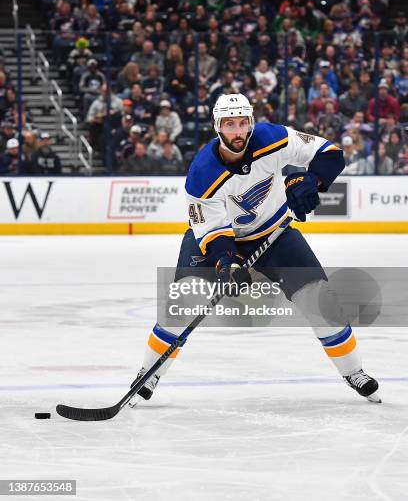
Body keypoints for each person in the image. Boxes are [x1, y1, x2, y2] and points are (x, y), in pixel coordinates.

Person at [132, 94, 380, 404]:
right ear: (217, 127)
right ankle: (148, 372)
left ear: (251, 123)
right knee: (184, 300)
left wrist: (312, 179)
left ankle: (353, 372)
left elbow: (330, 153)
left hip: (274, 231)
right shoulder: (201, 175)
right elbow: (213, 234)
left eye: (243, 123)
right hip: (220, 240)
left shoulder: (271, 137)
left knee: (319, 298)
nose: (238, 131)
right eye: (229, 124)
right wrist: (227, 264)